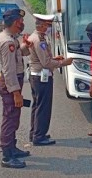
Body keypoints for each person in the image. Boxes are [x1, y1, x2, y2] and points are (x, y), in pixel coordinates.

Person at [28, 13, 73, 146]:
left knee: (37, 106)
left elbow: (46, 59)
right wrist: (64, 63)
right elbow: (45, 63)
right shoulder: (39, 40)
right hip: (41, 77)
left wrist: (55, 58)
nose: (49, 28)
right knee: (43, 107)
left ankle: (35, 132)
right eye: (47, 25)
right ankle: (39, 136)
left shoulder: (38, 37)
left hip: (37, 76)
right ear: (41, 26)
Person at [0, 8, 32, 169]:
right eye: (20, 22)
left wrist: (26, 46)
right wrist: (16, 93)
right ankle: (7, 155)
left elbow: (19, 54)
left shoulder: (11, 38)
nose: (22, 24)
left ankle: (12, 147)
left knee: (14, 117)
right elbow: (9, 70)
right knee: (10, 118)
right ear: (15, 22)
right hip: (11, 84)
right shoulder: (8, 42)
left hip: (13, 82)